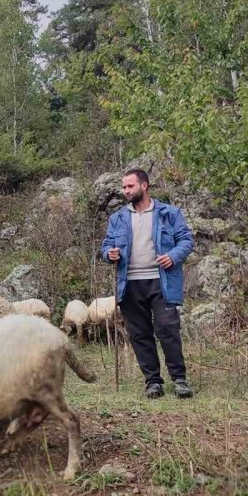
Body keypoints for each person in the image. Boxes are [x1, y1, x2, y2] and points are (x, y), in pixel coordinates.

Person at [100, 169, 195, 399]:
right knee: (139, 334)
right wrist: (109, 253)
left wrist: (172, 255)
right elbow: (106, 246)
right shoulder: (118, 218)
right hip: (130, 283)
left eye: (130, 186)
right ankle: (153, 382)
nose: (126, 191)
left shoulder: (168, 213)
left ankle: (179, 380)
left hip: (161, 281)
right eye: (124, 187)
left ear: (145, 185)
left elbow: (187, 240)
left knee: (167, 328)